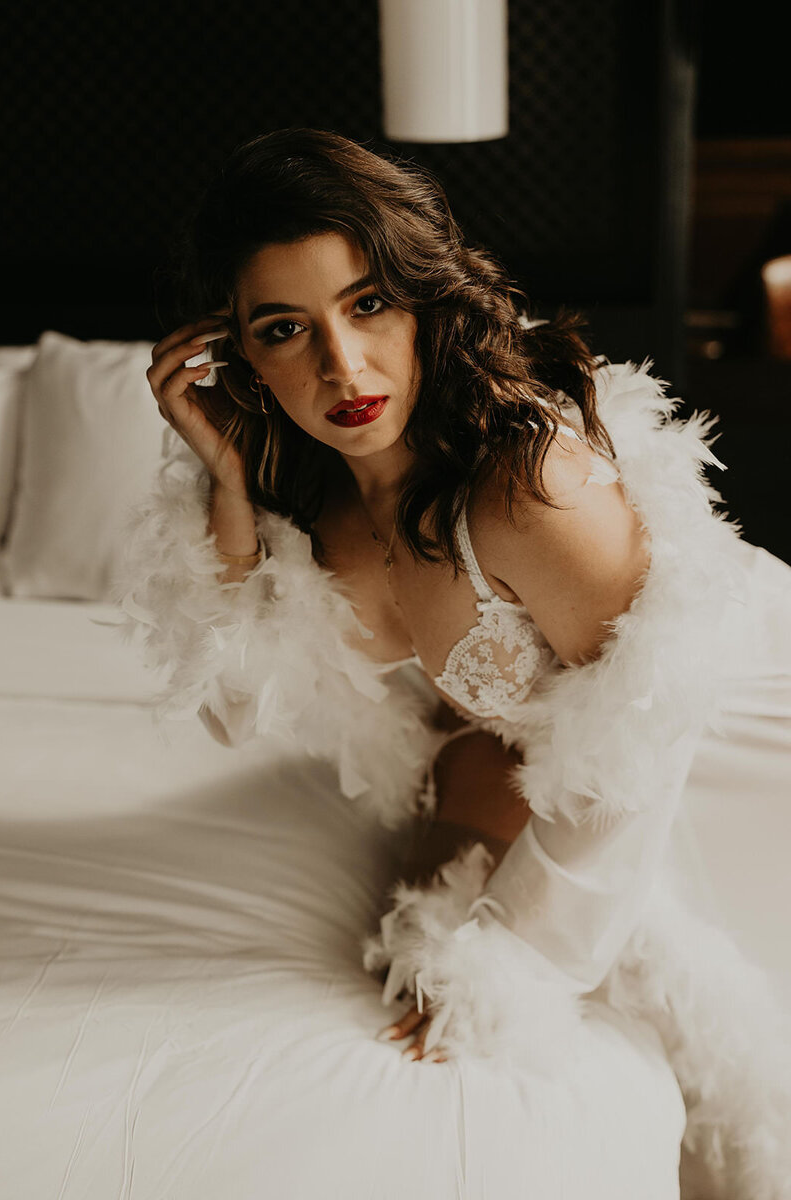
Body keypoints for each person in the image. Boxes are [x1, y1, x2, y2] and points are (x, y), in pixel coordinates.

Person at [115, 127, 791, 1197]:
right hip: (566, 762)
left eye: (368, 303)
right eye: (286, 328)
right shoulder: (319, 496)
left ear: (426, 297)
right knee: (413, 944)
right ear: (234, 354)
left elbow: (636, 745)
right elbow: (240, 709)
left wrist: (510, 968)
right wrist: (228, 482)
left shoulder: (530, 487)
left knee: (732, 1067)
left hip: (737, 753)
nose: (341, 366)